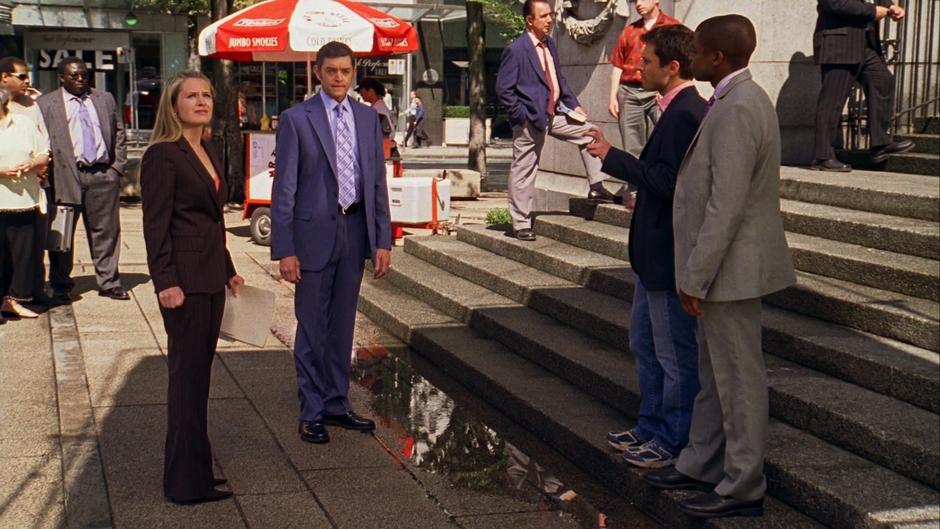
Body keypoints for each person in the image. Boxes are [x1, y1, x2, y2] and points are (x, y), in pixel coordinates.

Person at [641, 15, 796, 519]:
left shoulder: (737, 107)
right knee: (713, 376)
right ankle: (702, 463)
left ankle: (742, 485)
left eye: (700, 51)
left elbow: (724, 204)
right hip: (723, 270)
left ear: (717, 59)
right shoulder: (734, 99)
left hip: (729, 272)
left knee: (738, 382)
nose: (693, 57)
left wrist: (696, 274)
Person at [584, 24, 705, 469]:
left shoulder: (687, 111)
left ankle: (672, 439)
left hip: (667, 255)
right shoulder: (673, 108)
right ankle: (652, 425)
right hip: (651, 255)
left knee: (673, 353)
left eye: (648, 60)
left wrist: (613, 157)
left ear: (672, 68)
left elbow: (670, 183)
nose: (638, 65)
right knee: (646, 343)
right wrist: (610, 154)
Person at [271, 41, 392, 445]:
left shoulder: (366, 118)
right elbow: (283, 189)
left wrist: (383, 239)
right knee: (311, 327)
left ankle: (337, 402)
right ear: (319, 73)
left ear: (353, 72)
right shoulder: (296, 119)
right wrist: (285, 249)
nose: (339, 78)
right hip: (312, 237)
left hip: (354, 229)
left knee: (342, 326)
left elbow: (377, 183)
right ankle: (311, 410)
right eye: (331, 71)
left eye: (345, 71)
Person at [140, 70, 245, 505]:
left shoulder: (207, 148)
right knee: (186, 382)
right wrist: (165, 281)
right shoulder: (163, 155)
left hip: (209, 280)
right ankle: (184, 485)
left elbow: (210, 222)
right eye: (191, 96)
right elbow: (155, 226)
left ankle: (197, 473)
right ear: (174, 104)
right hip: (182, 284)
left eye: (207, 95)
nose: (201, 102)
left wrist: (229, 268)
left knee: (198, 382)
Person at [496, 0, 616, 242]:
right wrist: (521, 116)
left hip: (555, 114)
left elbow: (558, 79)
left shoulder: (550, 43)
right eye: (543, 16)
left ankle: (597, 188)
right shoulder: (517, 50)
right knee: (524, 170)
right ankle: (520, 224)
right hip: (530, 119)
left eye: (550, 15)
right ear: (529, 21)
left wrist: (573, 104)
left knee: (591, 132)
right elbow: (503, 90)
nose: (549, 20)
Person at [37, 57, 128, 303]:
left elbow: (119, 132)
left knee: (106, 232)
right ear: (61, 77)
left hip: (102, 174)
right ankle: (60, 285)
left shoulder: (104, 98)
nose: (80, 80)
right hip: (65, 176)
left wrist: (116, 168)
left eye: (84, 75)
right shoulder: (46, 104)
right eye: (74, 76)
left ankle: (109, 282)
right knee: (61, 234)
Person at [812, 0, 911, 171]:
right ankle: (823, 156)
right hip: (840, 42)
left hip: (866, 43)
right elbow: (833, 4)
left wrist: (890, 6)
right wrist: (872, 11)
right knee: (832, 100)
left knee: (882, 79)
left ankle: (880, 143)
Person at [0, 57, 51, 304]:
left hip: (29, 192)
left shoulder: (32, 108)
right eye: (21, 76)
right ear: (4, 77)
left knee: (29, 249)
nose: (27, 81)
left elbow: (44, 145)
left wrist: (37, 164)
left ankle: (28, 294)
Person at [608, 0, 678, 157]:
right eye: (635, 0)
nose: (638, 3)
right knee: (632, 148)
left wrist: (669, 90)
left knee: (665, 139)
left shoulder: (672, 27)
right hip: (629, 92)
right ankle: (634, 181)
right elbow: (618, 65)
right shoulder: (629, 31)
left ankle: (660, 179)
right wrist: (613, 97)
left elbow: (682, 62)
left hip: (659, 92)